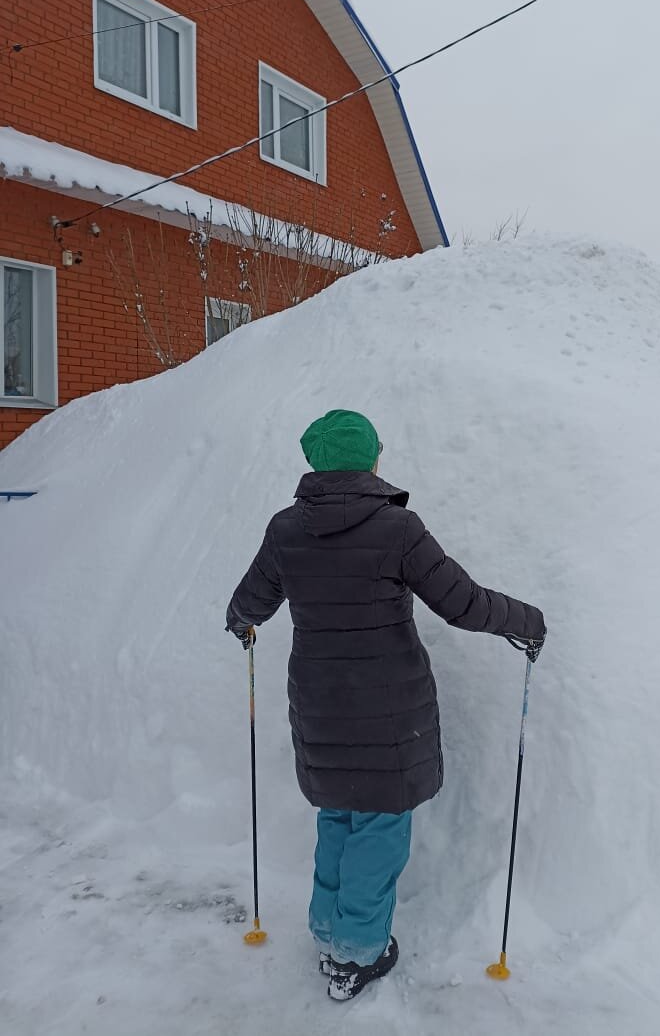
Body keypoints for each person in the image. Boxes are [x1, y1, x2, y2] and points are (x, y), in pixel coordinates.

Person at [226, 409, 545, 1001]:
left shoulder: (284, 530)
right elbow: (464, 604)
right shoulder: (396, 528)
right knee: (378, 827)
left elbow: (250, 601)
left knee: (339, 815)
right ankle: (355, 954)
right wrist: (527, 621)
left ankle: (329, 928)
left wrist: (240, 622)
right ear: (371, 459)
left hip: (319, 705)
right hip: (389, 709)